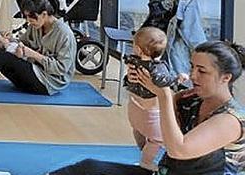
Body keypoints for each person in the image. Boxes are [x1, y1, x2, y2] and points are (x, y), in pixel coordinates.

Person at [49, 40, 245, 175]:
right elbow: (154, 119)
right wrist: (141, 88)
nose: (193, 75)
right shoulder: (192, 100)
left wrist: (166, 96)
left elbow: (179, 150)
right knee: (88, 168)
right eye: (192, 67)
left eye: (201, 71)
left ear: (225, 78)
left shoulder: (230, 119)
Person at [123, 27, 182, 171]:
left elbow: (128, 79)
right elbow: (163, 80)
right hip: (149, 112)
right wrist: (178, 79)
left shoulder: (133, 62)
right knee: (157, 139)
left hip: (134, 106)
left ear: (137, 49)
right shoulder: (157, 67)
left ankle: (143, 147)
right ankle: (146, 161)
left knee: (138, 129)